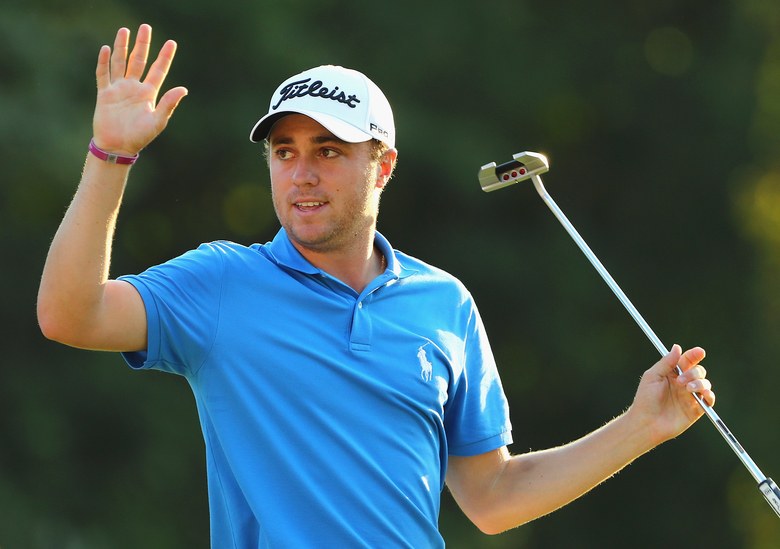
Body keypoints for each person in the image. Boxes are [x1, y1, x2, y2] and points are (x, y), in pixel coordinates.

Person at [37, 24, 715, 548]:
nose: (302, 173)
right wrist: (111, 156)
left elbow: (493, 496)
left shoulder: (444, 304)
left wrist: (641, 426)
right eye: (284, 152)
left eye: (328, 151)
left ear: (382, 165)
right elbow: (70, 315)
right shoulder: (221, 283)